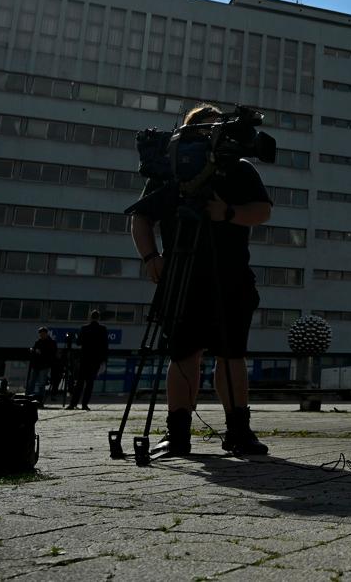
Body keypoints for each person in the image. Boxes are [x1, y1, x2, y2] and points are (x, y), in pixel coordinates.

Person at [131, 103, 274, 458]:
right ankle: (177, 433)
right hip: (181, 274)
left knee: (232, 353)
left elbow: (262, 211)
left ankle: (239, 430)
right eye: (203, 128)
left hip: (229, 273)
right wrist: (151, 258)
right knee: (183, 353)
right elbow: (141, 217)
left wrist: (226, 213)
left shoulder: (238, 168)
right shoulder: (168, 169)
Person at [67, 310, 109, 410]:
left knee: (79, 383)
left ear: (90, 317)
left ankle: (73, 403)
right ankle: (85, 404)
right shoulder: (102, 329)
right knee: (90, 383)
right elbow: (105, 345)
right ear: (98, 318)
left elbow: (78, 342)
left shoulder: (84, 328)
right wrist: (103, 359)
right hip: (95, 360)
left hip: (84, 358)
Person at [27, 327, 58, 406]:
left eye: (42, 334)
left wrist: (40, 352)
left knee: (41, 384)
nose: (41, 336)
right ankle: (29, 399)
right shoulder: (38, 341)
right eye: (40, 334)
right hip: (37, 365)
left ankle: (40, 400)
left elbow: (52, 354)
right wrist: (33, 350)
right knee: (32, 383)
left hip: (44, 365)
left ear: (46, 333)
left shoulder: (51, 342)